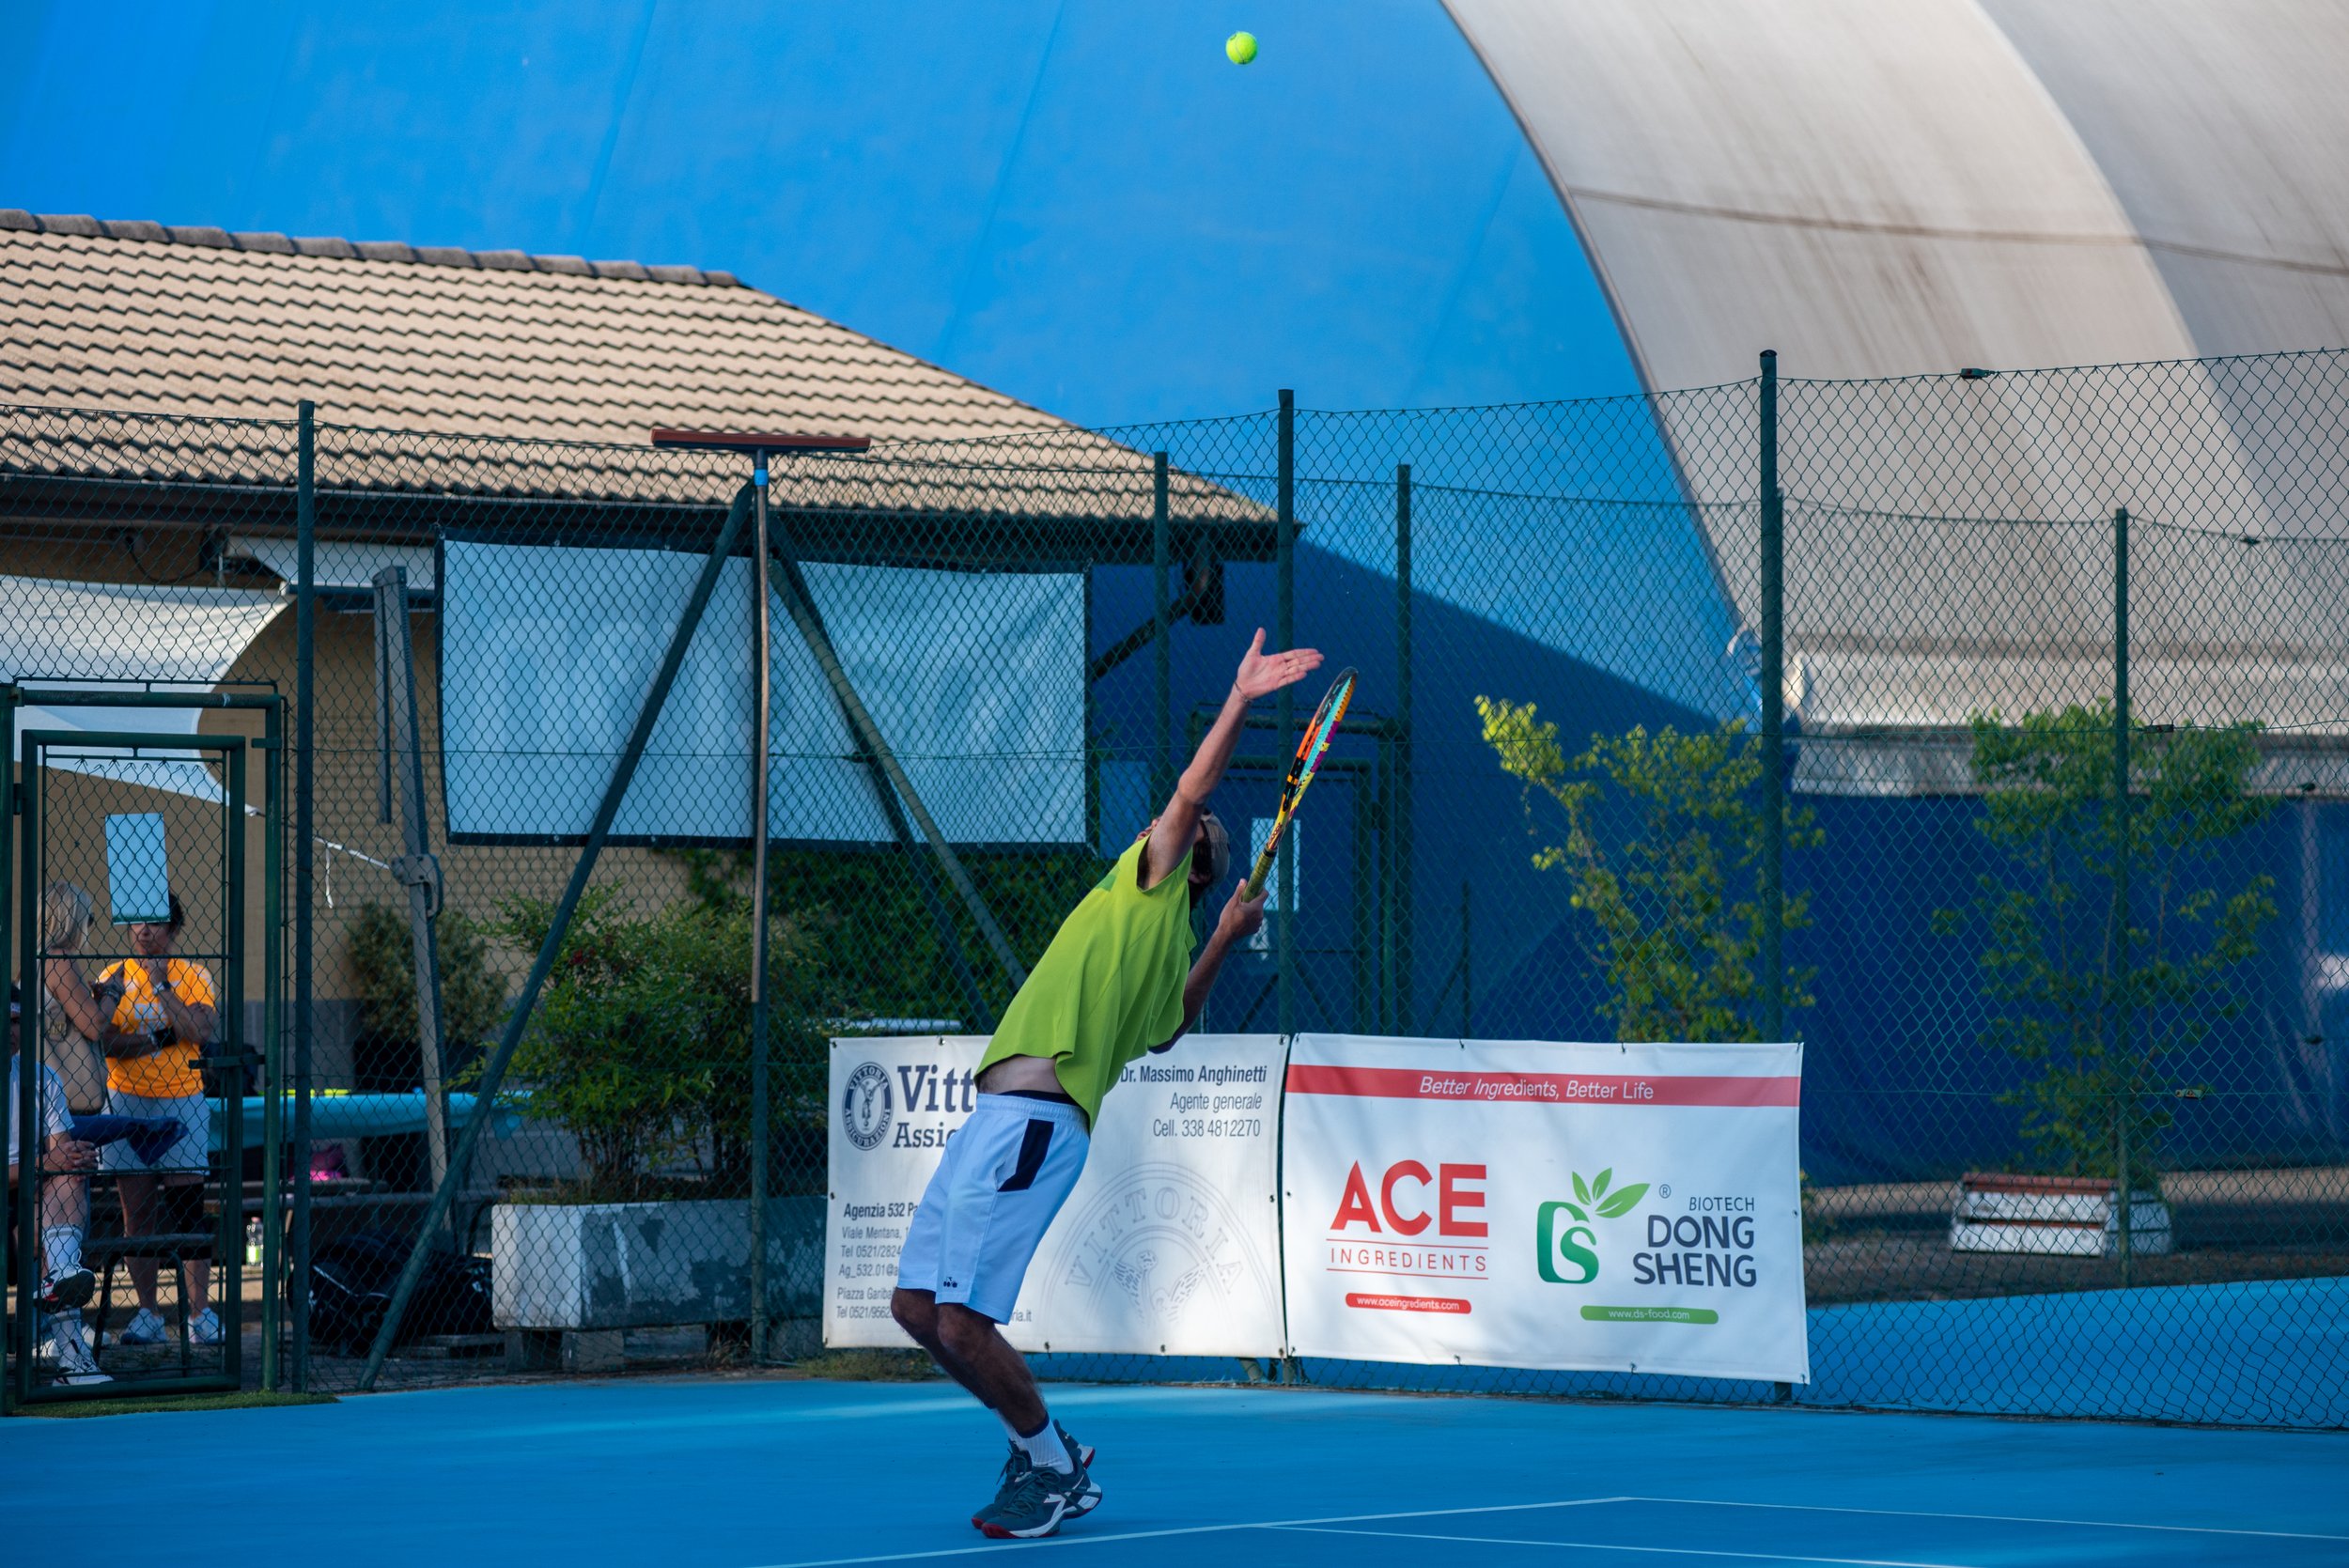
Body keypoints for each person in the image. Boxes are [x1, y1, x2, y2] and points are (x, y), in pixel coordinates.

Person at [890, 629, 1323, 1541]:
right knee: (916, 1308)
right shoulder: (1162, 939)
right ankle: (1041, 1448)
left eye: (1187, 831)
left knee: (963, 1323)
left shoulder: (1150, 885)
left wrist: (1241, 698)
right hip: (1002, 1117)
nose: (1173, 823)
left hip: (1034, 1122)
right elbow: (1165, 1032)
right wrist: (1224, 940)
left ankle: (1051, 1466)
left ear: (1183, 862)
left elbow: (1193, 788)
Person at [95, 891, 222, 1348]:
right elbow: (103, 1038)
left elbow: (201, 1032)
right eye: (137, 922)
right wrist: (162, 1035)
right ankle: (147, 1312)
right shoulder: (113, 977)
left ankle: (199, 1312)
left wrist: (163, 987)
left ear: (172, 928)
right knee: (138, 1213)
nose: (144, 931)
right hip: (126, 1100)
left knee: (188, 1209)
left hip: (182, 1099)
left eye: (154, 922)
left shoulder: (193, 975)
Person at [8, 986, 109, 1383]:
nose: (12, 1030)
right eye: (5, 1021)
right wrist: (44, 1162)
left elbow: (60, 1154)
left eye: (17, 1021)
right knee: (58, 1175)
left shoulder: (41, 1076)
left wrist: (72, 1157)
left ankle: (72, 1358)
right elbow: (46, 1159)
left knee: (71, 1172)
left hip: (30, 1207)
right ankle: (61, 1275)